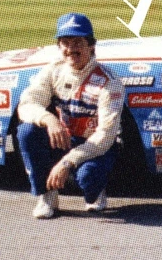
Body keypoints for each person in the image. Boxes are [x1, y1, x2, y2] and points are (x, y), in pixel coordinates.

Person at [16, 13, 124, 219]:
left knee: (89, 179)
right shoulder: (54, 70)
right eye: (65, 43)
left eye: (78, 43)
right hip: (64, 138)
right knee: (27, 131)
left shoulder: (109, 81)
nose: (71, 49)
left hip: (96, 145)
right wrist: (49, 120)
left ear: (91, 46)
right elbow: (27, 104)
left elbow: (105, 136)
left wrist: (67, 163)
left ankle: (97, 188)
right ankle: (47, 195)